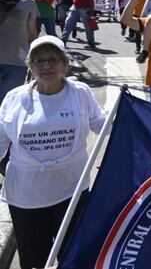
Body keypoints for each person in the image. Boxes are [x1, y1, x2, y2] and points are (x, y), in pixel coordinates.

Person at [0, 36, 106, 269]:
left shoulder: (80, 92)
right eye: (39, 61)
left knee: (74, 257)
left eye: (53, 60)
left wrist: (128, 112)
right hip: (26, 198)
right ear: (30, 66)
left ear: (65, 64)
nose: (46, 66)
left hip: (71, 192)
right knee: (34, 261)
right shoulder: (14, 99)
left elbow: (102, 123)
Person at [0, 0, 38, 103]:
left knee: (6, 105)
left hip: (17, 65)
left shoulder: (28, 2)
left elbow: (33, 36)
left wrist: (35, 62)